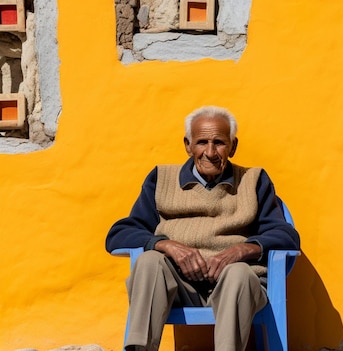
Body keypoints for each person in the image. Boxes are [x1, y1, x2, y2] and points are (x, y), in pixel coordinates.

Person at [105, 105, 300, 351]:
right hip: (180, 287)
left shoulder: (254, 180)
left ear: (233, 146)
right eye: (201, 142)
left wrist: (241, 250)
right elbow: (119, 233)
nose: (210, 152)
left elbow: (285, 235)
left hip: (236, 288)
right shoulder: (160, 179)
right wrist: (167, 246)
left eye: (219, 142)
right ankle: (140, 348)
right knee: (149, 262)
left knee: (239, 274)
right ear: (188, 145)